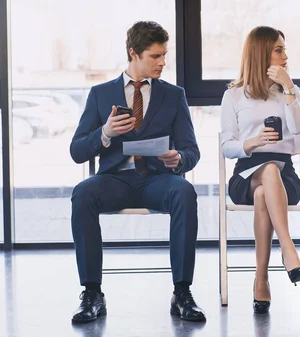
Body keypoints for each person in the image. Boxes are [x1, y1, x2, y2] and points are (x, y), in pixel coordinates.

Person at [69, 21, 205, 323]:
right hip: (114, 180)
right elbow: (77, 150)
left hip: (158, 179)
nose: (162, 62)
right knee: (83, 193)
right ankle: (92, 293)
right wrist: (104, 132)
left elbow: (192, 150)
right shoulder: (100, 94)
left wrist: (178, 159)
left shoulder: (174, 95)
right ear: (134, 53)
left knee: (184, 191)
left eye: (164, 55)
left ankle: (182, 292)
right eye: (155, 56)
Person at [220, 26, 300, 314]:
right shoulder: (234, 95)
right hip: (246, 173)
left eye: (284, 49)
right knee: (266, 170)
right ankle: (288, 249)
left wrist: (289, 88)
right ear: (261, 53)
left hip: (285, 177)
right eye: (279, 50)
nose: (285, 56)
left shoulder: (290, 92)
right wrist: (252, 142)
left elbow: (298, 129)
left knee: (266, 187)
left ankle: (261, 278)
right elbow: (226, 147)